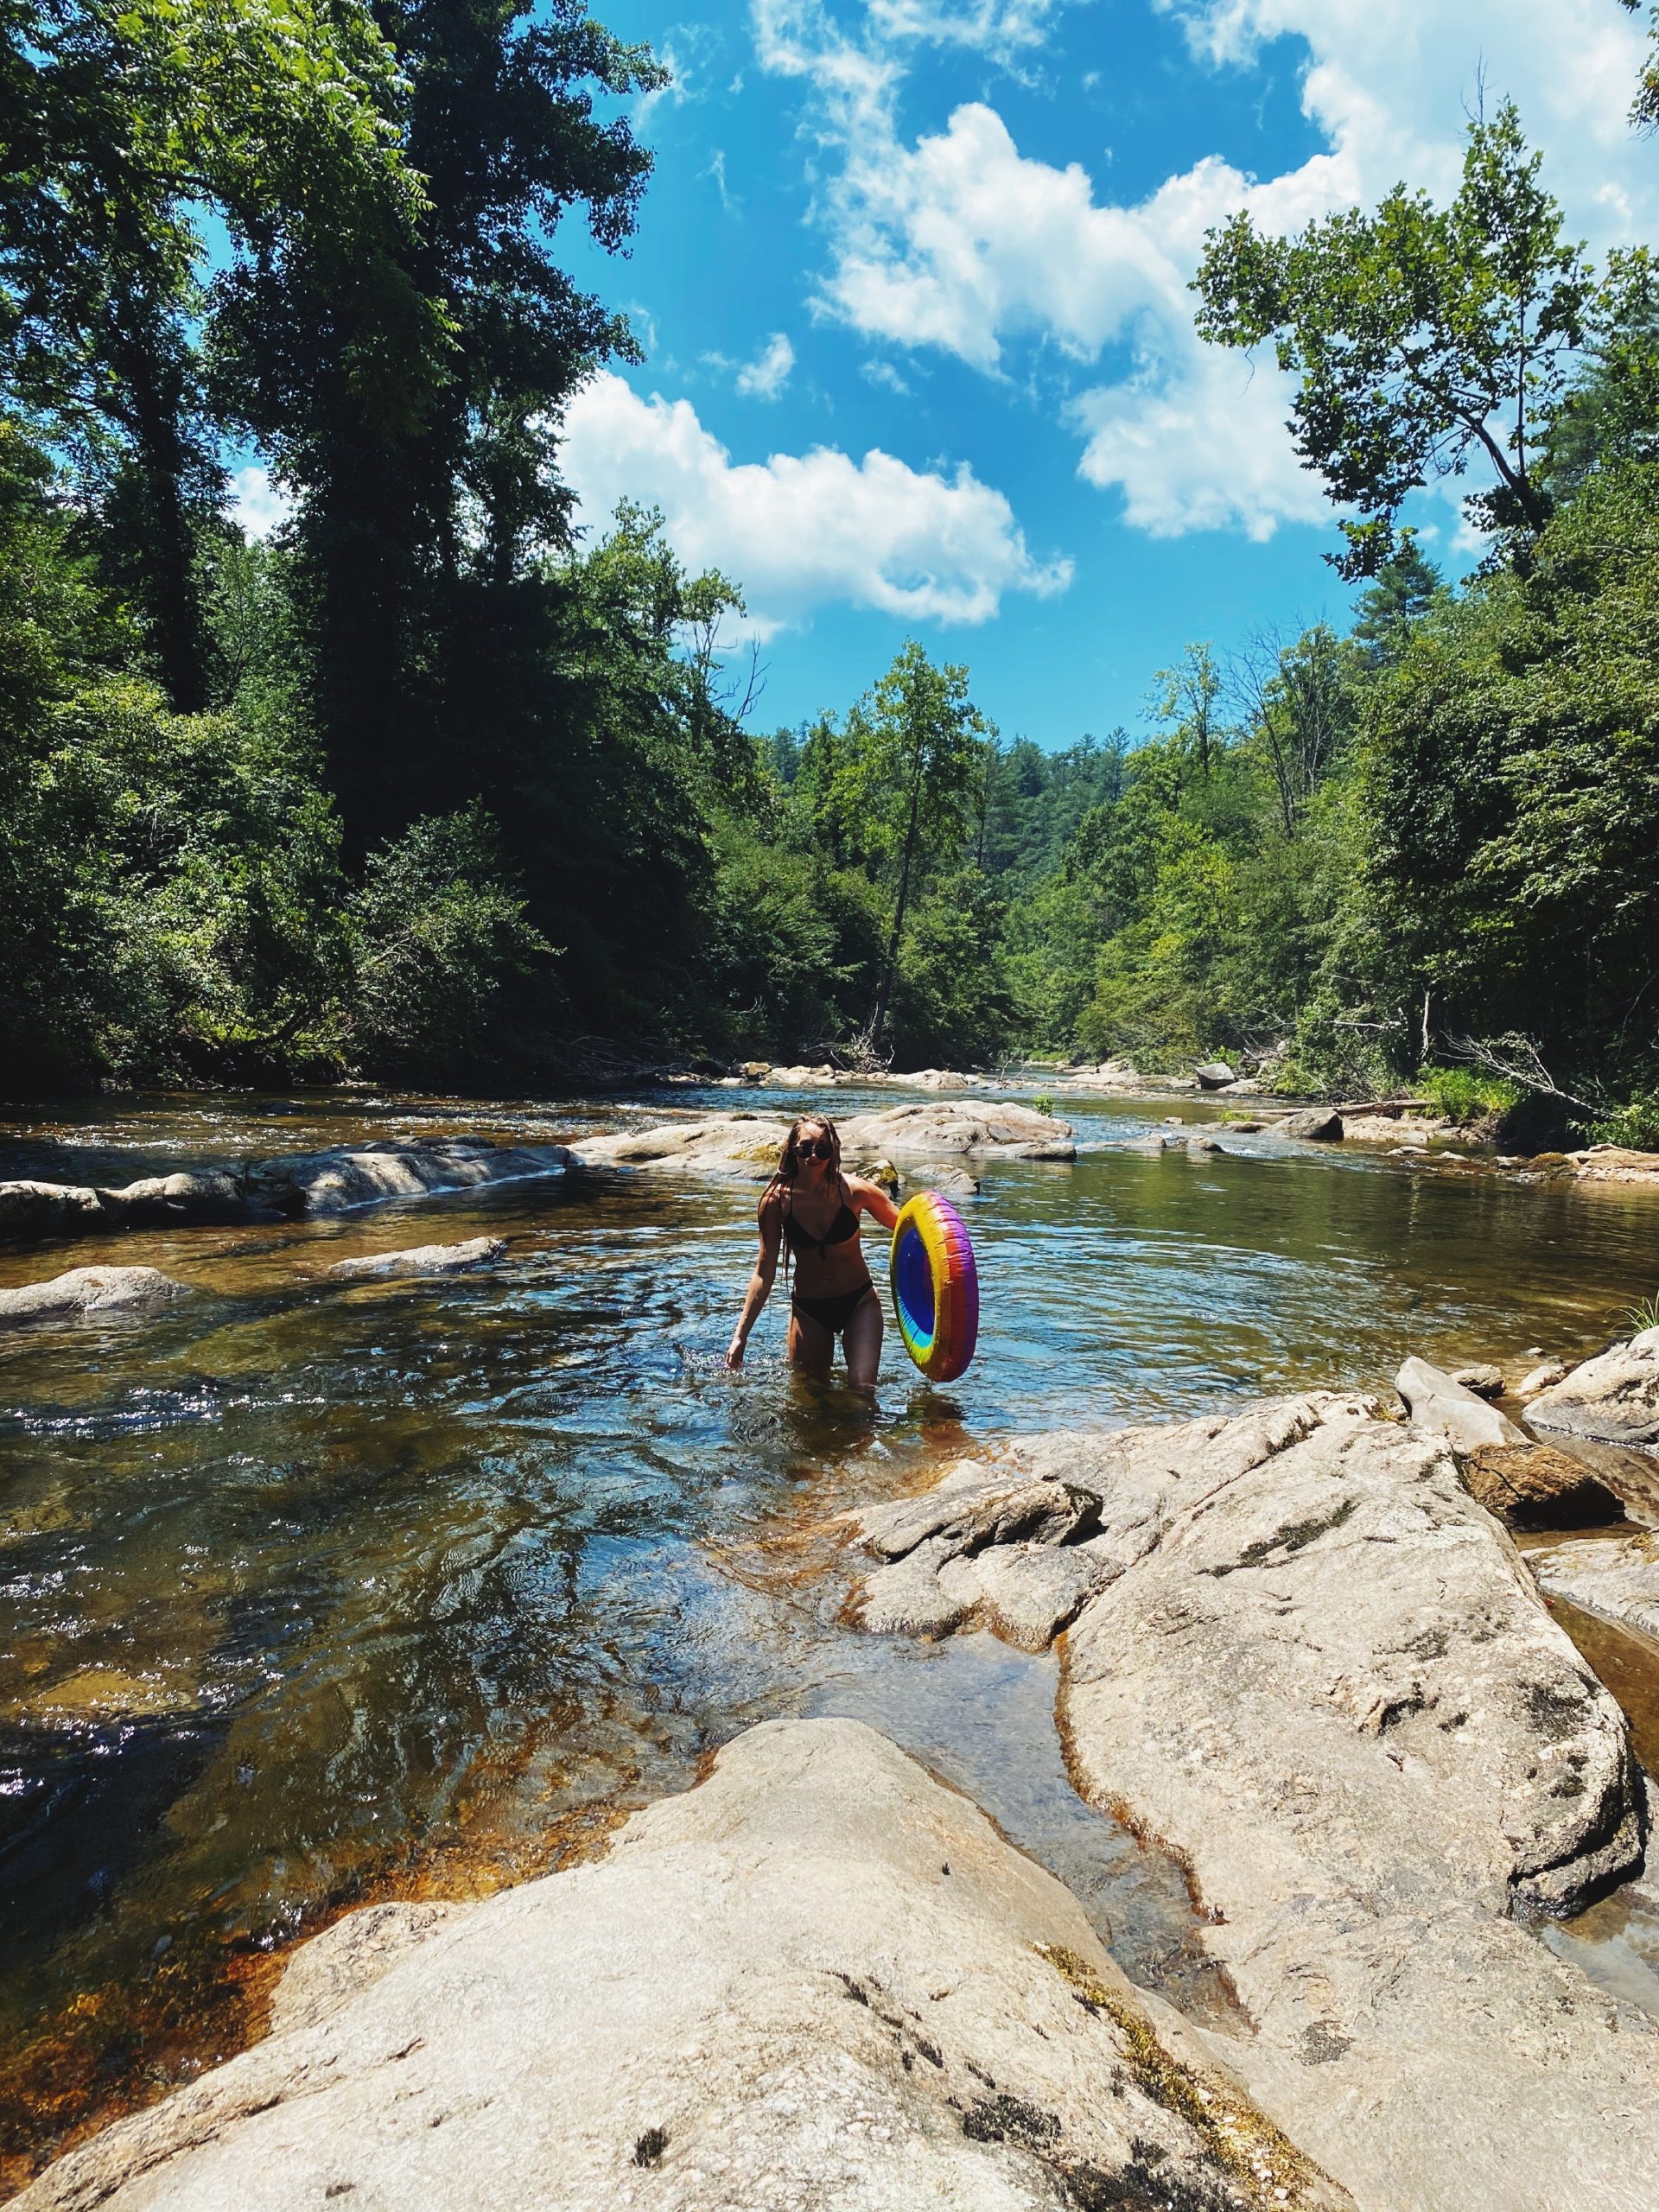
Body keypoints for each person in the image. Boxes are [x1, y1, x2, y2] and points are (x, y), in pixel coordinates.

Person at [725, 1115, 899, 1388]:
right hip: (809, 1310)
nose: (813, 1157)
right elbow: (763, 1271)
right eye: (805, 1149)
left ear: (834, 1151)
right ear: (794, 1150)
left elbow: (908, 1228)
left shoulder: (855, 1191)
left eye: (822, 1149)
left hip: (859, 1303)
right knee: (809, 1398)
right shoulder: (776, 1202)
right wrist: (740, 1336)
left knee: (862, 1391)